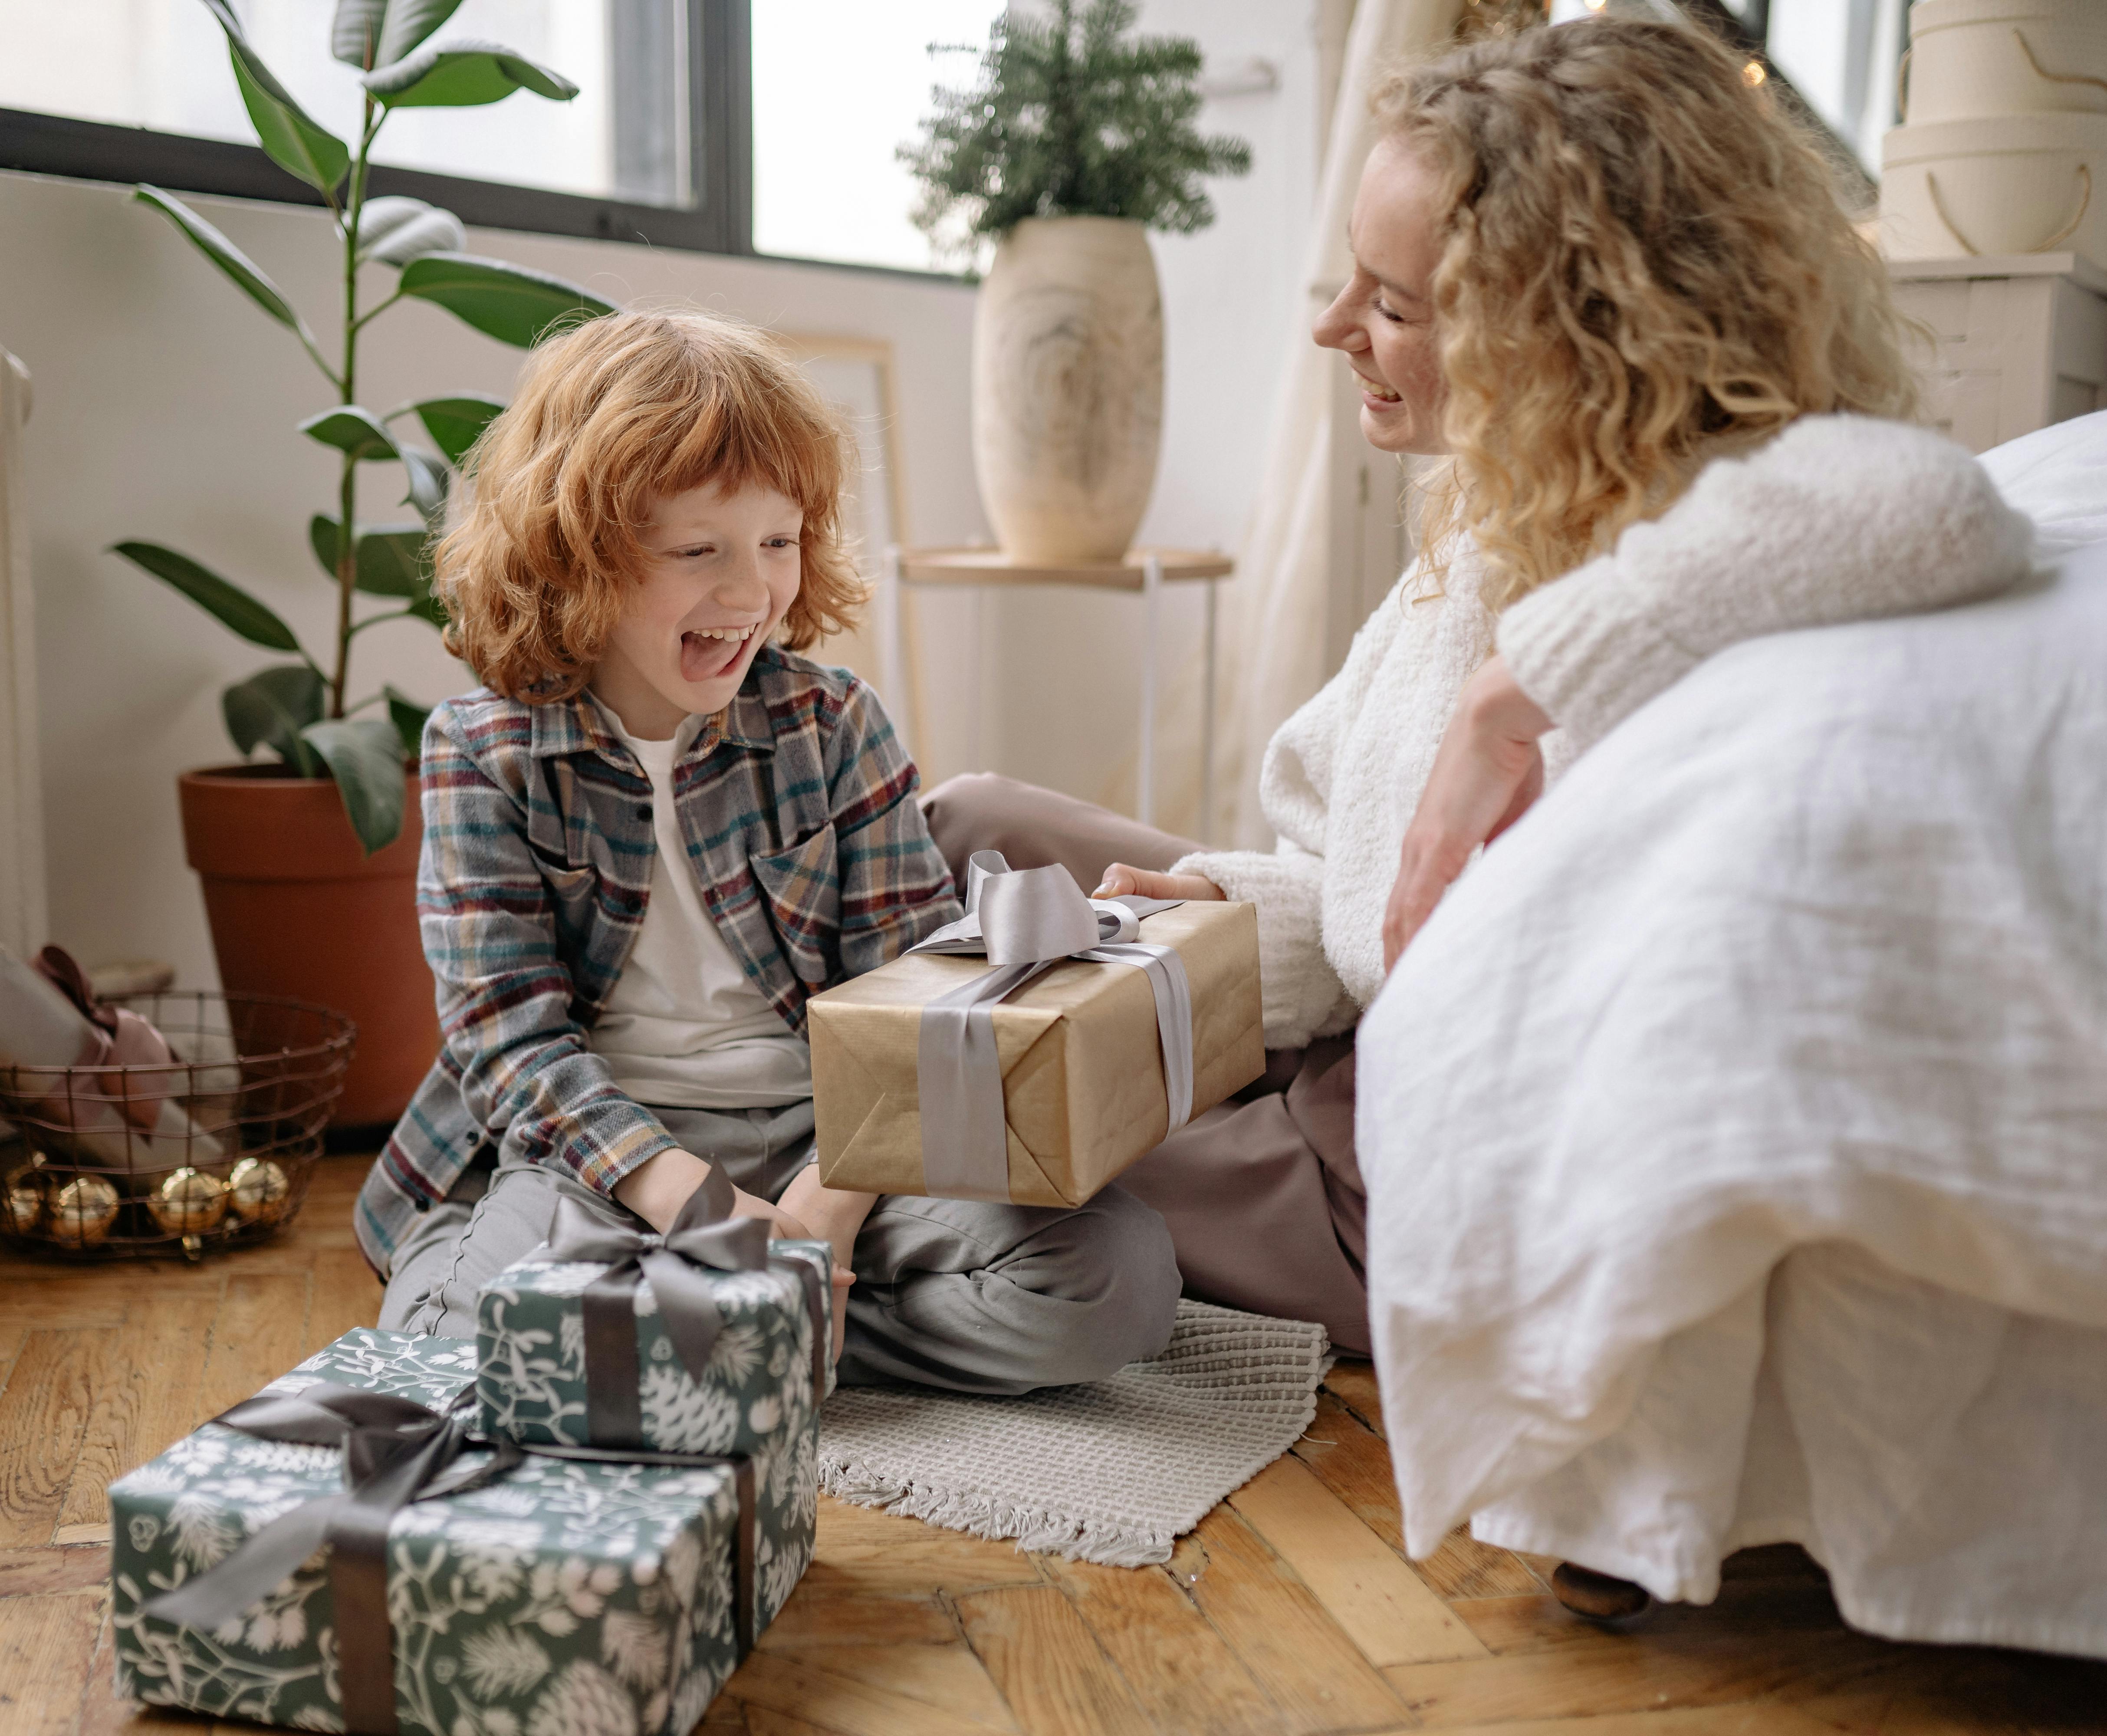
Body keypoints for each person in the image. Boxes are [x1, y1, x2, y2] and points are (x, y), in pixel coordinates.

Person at [922, 17, 2029, 1368]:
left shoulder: (1720, 520)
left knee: (961, 1126)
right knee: (965, 825)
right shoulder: (1499, 499)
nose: (1338, 328)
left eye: (1392, 305)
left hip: (1393, 1159)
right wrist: (1217, 910)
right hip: (1333, 1021)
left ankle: (795, 1153)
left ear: (1561, 332)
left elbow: (1940, 505)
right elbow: (1362, 885)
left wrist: (1522, 684)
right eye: (1353, 284)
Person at [358, 310, 1179, 1394]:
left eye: (779, 542)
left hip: (832, 1134)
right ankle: (727, 1328)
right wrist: (693, 1205)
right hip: (606, 1148)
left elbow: (914, 999)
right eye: (698, 551)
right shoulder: (483, 748)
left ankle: (701, 1337)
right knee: (434, 1356)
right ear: (575, 553)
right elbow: (511, 1044)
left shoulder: (833, 722)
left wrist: (820, 1221)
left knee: (1117, 1278)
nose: (750, 594)